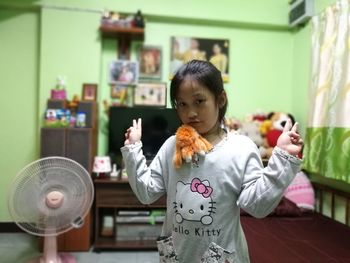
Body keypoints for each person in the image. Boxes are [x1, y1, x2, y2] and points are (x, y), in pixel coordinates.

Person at [121, 60, 303, 262]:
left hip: (221, 255)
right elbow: (146, 193)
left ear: (220, 99)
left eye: (199, 101)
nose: (190, 113)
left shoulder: (241, 148)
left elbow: (257, 206)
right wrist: (132, 150)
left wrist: (283, 158)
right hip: (177, 255)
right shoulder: (172, 146)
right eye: (182, 104)